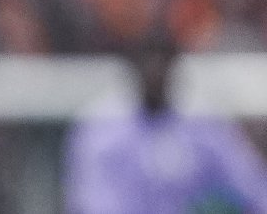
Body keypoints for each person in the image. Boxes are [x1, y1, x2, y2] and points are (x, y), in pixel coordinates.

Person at [63, 33, 267, 213]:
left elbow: (251, 186)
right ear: (132, 67)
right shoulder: (101, 129)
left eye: (163, 61)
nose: (155, 70)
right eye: (148, 61)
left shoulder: (204, 126)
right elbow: (91, 202)